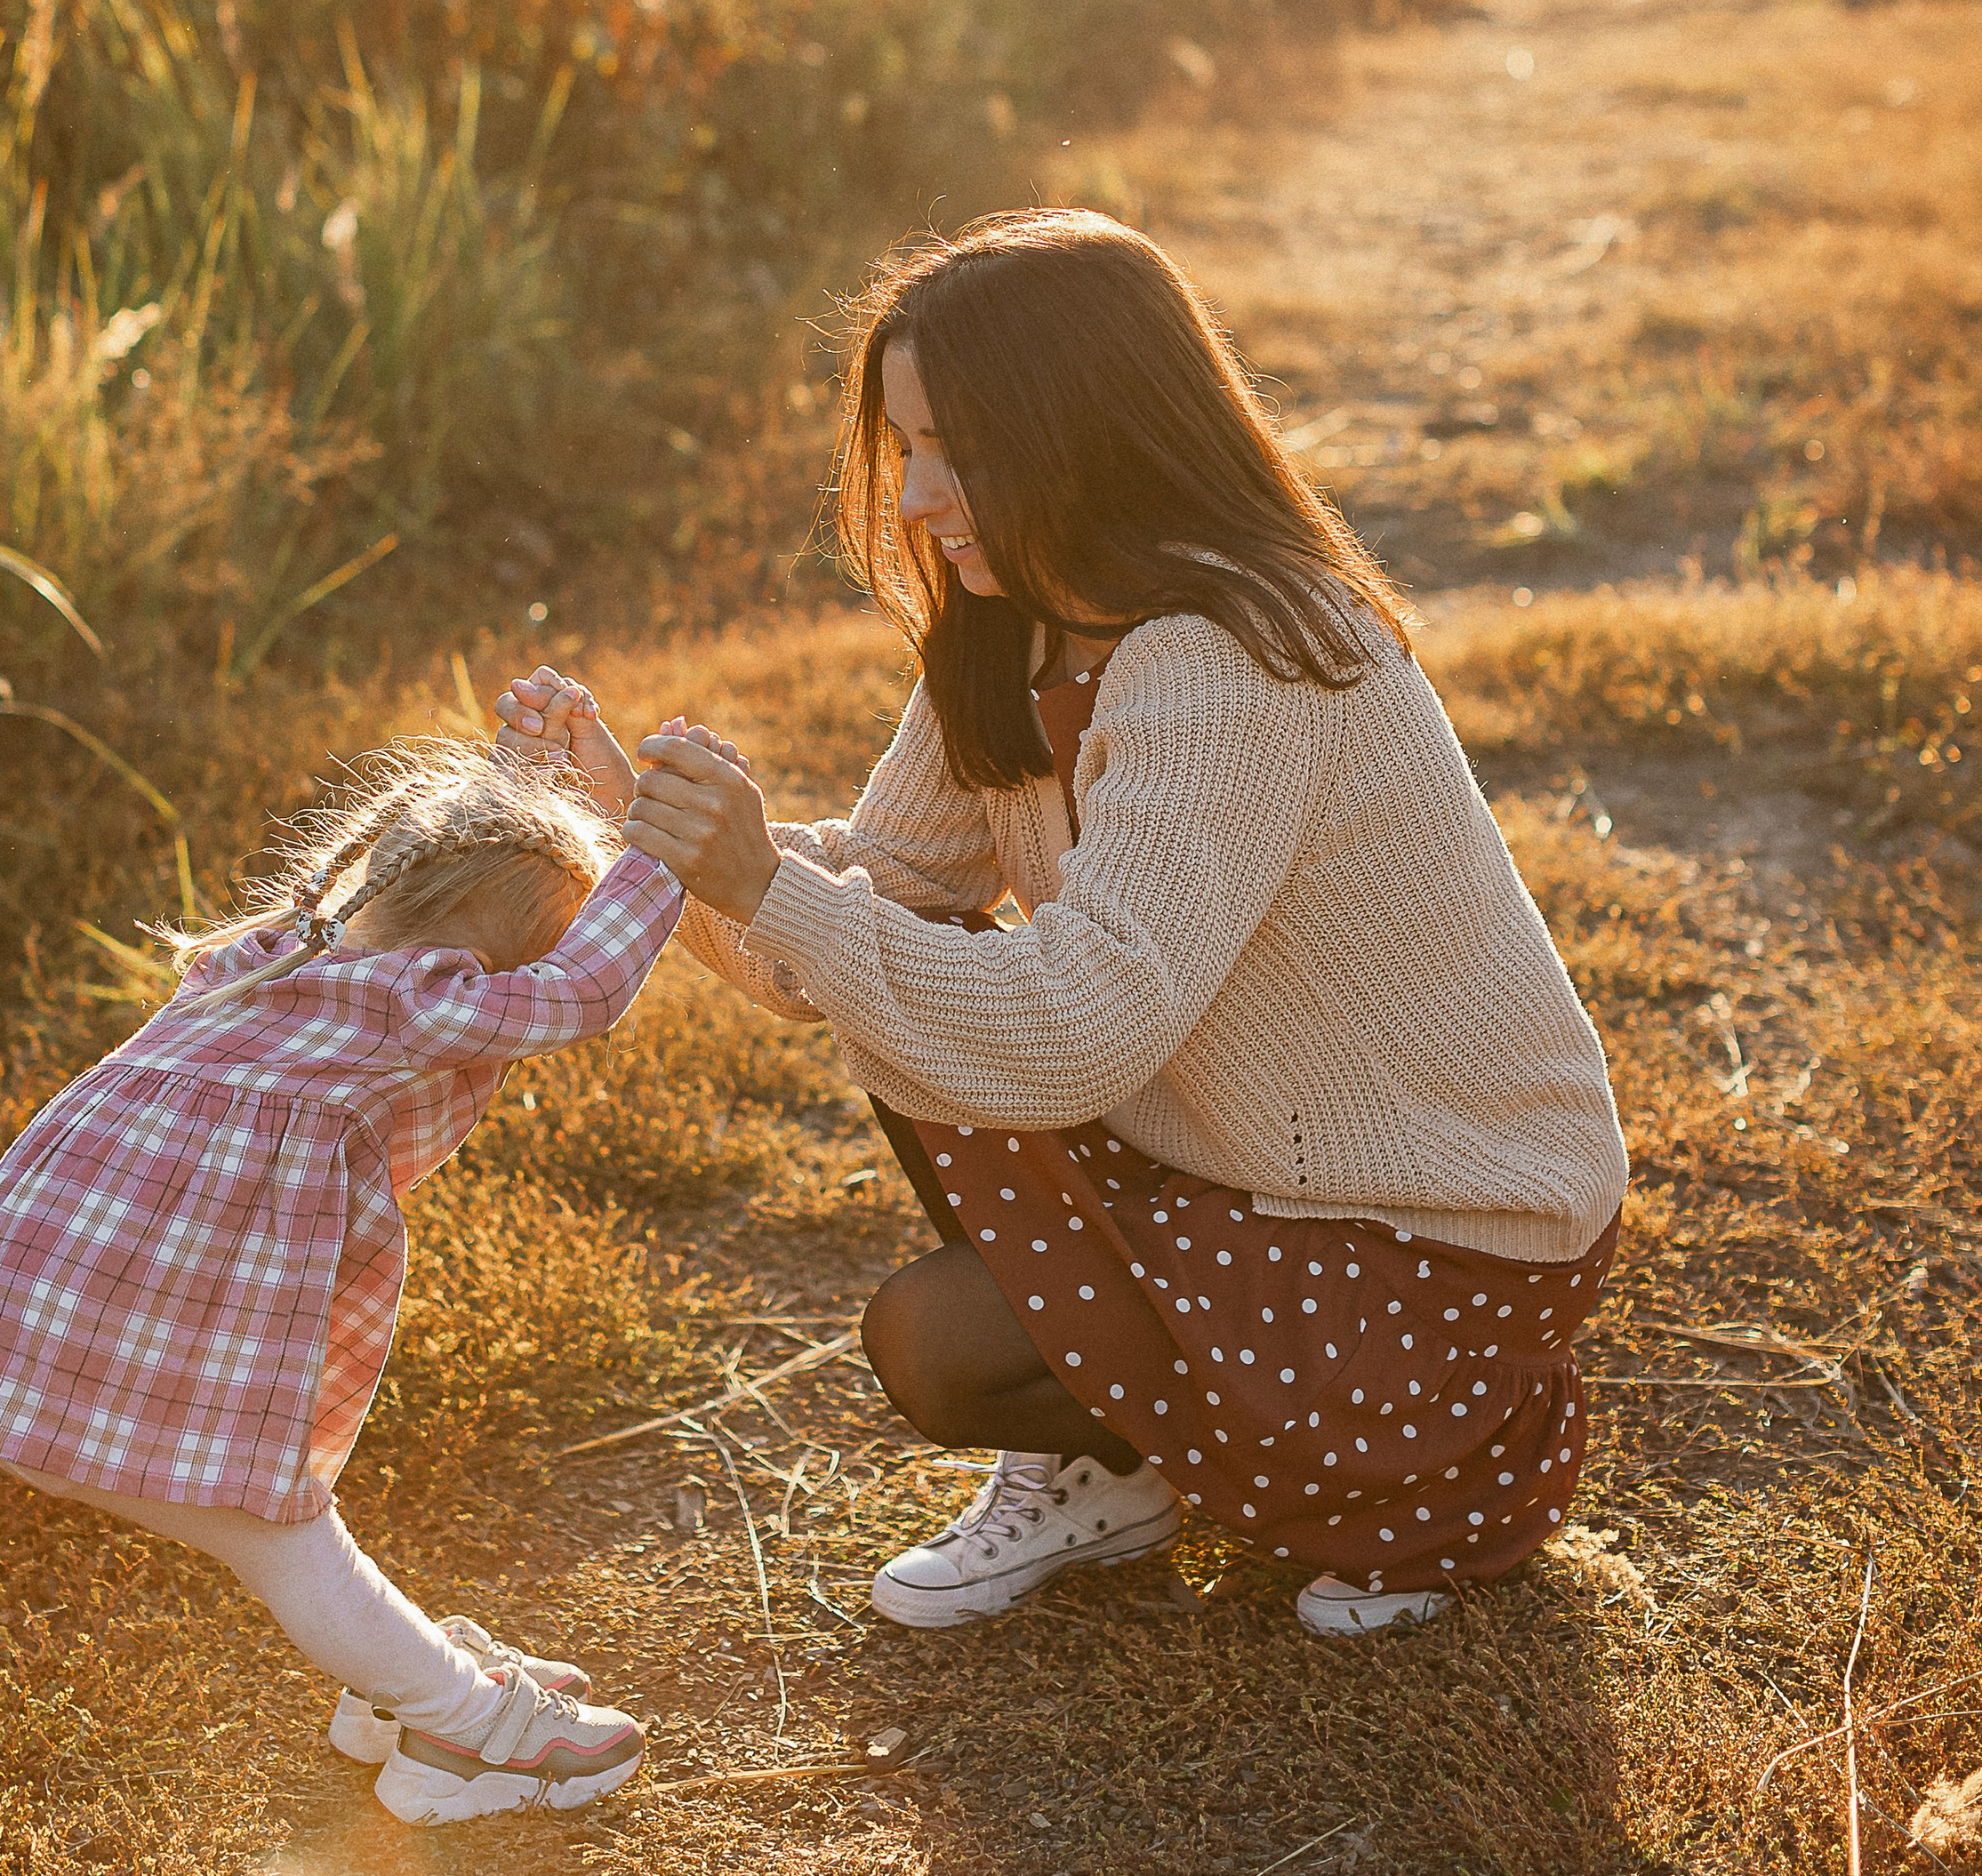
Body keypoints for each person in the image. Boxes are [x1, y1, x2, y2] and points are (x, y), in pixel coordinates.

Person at [498, 209, 1629, 1641]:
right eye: (904, 447)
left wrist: (766, 883)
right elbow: (881, 897)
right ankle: (1126, 1463)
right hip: (1239, 1161)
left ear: (1089, 432)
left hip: (1445, 1229)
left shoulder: (1234, 658)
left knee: (936, 1330)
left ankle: (1452, 1484)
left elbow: (1080, 1027)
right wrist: (641, 826)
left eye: (955, 447)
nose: (914, 496)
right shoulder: (1018, 621)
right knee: (911, 979)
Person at [0, 742, 678, 1821]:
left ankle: (392, 1689)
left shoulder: (261, 957)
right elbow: (589, 987)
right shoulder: (421, 1000)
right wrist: (661, 843)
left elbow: (457, 871)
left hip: (28, 1307)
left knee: (286, 1533)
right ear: (479, 957)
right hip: (131, 1334)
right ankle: (463, 1729)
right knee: (287, 1540)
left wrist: (523, 778)